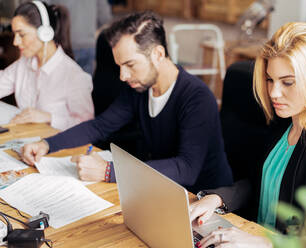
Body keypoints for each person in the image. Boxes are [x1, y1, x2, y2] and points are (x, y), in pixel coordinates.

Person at [189, 22, 306, 248]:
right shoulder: (285, 123)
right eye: (270, 79)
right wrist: (219, 199)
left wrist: (265, 243)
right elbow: (263, 184)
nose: (274, 93)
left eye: (288, 82)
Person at [21, 11, 233, 193]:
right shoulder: (139, 87)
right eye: (120, 66)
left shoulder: (197, 97)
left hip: (204, 201)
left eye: (130, 64)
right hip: (161, 189)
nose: (122, 75)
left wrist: (109, 171)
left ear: (158, 54)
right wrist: (47, 144)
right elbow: (100, 126)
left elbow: (186, 168)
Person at [0, 1, 94, 131]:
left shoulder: (74, 75)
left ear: (45, 33)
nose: (15, 42)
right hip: (27, 139)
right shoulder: (23, 64)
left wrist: (50, 118)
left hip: (59, 146)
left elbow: (87, 126)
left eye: (22, 34)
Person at [45, 0, 113, 75]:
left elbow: (42, 11)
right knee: (85, 84)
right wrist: (89, 28)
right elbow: (105, 17)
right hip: (87, 44)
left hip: (64, 44)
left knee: (63, 83)